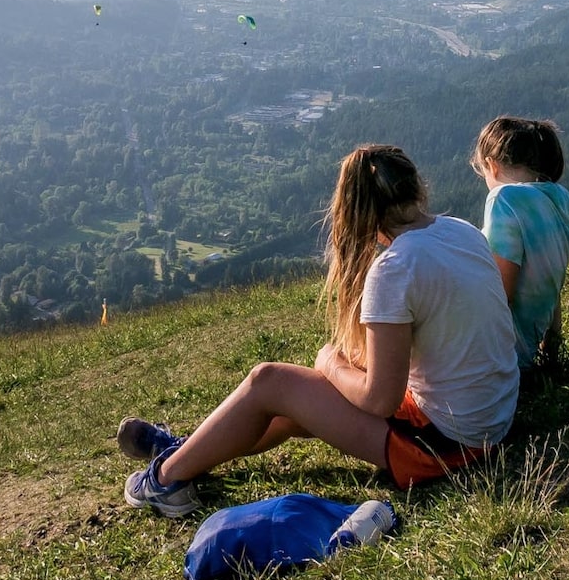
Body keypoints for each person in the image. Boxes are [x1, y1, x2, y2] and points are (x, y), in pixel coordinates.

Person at [119, 143, 519, 516]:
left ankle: (164, 482)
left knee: (269, 381)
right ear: (416, 187)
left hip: (446, 444)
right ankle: (185, 455)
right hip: (490, 419)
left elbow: (379, 400)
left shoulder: (396, 267)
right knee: (294, 405)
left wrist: (329, 361)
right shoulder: (460, 230)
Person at [473, 116, 569, 370]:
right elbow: (553, 287)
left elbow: (502, 294)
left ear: (492, 165)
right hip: (527, 354)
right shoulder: (562, 198)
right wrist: (550, 352)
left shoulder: (504, 199)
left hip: (499, 358)